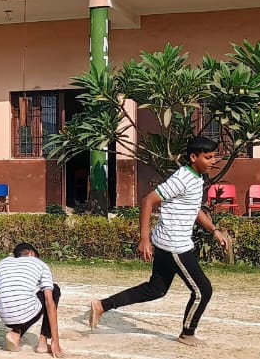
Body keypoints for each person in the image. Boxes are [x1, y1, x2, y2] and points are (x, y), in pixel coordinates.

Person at [88, 136, 229, 347]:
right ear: (193, 157)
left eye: (214, 157)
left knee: (156, 289)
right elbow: (148, 200)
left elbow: (194, 209)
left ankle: (101, 305)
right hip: (174, 245)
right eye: (208, 157)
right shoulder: (182, 178)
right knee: (203, 290)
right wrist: (144, 238)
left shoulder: (197, 177)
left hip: (168, 242)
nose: (213, 161)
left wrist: (214, 229)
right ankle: (187, 333)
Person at [0, 243, 64, 356]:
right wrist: (55, 342)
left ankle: (16, 333)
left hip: (4, 314)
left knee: (22, 303)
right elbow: (49, 302)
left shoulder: (1, 263)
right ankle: (43, 342)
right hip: (24, 311)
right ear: (32, 254)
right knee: (54, 290)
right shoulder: (41, 264)